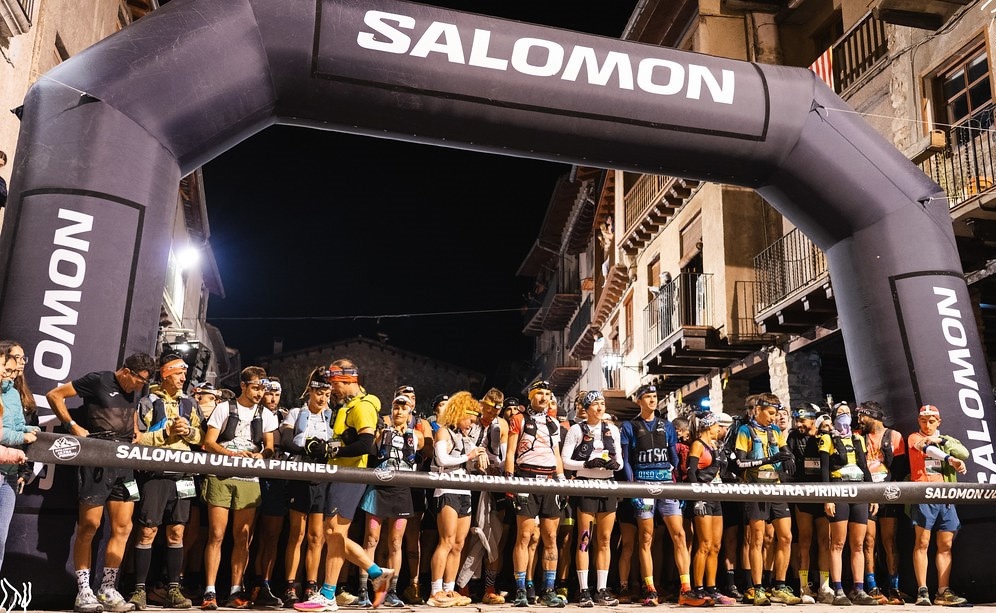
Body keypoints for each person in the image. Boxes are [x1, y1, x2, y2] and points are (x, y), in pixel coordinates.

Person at [47, 352, 156, 613]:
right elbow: (54, 395)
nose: (141, 386)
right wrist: (72, 426)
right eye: (140, 380)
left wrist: (136, 430)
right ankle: (83, 591)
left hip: (124, 463)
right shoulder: (99, 380)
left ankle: (107, 588)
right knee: (89, 526)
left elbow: (129, 412)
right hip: (96, 460)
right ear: (127, 372)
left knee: (124, 527)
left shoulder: (135, 390)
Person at [294, 360, 394, 612]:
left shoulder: (362, 406)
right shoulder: (348, 406)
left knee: (334, 534)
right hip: (340, 473)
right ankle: (358, 581)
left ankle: (359, 580)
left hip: (350, 476)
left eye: (333, 384)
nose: (332, 390)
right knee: (332, 534)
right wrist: (325, 447)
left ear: (346, 380)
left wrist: (332, 450)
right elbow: (345, 442)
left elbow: (366, 444)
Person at [619, 384, 709, 607]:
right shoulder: (630, 426)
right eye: (648, 397)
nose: (652, 400)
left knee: (679, 534)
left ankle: (686, 589)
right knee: (646, 537)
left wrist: (676, 482)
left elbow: (674, 457)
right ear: (639, 401)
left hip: (666, 482)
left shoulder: (666, 425)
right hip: (643, 484)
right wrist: (632, 488)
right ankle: (650, 589)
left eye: (654, 396)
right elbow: (626, 460)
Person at [200, 366, 280, 611]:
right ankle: (210, 591)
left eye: (262, 389)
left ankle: (235, 590)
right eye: (255, 388)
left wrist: (261, 455)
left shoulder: (266, 414)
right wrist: (232, 454)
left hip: (249, 478)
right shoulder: (224, 408)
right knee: (216, 534)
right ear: (243, 386)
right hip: (221, 475)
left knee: (243, 537)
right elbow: (209, 442)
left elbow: (270, 447)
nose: (259, 393)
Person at [128, 354, 203, 611]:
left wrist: (189, 432)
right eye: (179, 373)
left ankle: (173, 589)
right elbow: (137, 439)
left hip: (183, 475)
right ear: (165, 374)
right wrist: (166, 433)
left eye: (184, 373)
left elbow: (202, 436)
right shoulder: (148, 402)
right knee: (147, 531)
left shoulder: (190, 403)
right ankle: (139, 589)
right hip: (156, 474)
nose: (184, 378)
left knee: (177, 531)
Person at [731, 393, 801, 606]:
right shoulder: (745, 430)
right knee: (757, 539)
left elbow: (785, 451)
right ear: (758, 410)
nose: (773, 417)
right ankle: (758, 588)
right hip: (755, 488)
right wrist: (770, 458)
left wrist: (789, 458)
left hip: (776, 487)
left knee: (786, 536)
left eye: (775, 414)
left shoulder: (776, 431)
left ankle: (779, 586)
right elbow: (740, 463)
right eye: (770, 413)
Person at [505, 380, 567, 608]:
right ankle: (521, 589)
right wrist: (509, 481)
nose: (544, 398)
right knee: (524, 535)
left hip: (550, 480)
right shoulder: (519, 419)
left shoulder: (553, 422)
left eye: (548, 394)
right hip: (526, 478)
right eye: (539, 393)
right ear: (530, 395)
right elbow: (510, 452)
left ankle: (548, 590)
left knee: (550, 537)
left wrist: (562, 481)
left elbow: (556, 454)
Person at [359, 393, 424, 607]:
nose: (399, 412)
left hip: (401, 491)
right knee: (371, 539)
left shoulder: (416, 436)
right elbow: (373, 446)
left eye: (403, 408)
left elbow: (424, 447)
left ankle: (390, 591)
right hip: (379, 488)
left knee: (396, 542)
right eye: (396, 407)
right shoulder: (382, 432)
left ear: (410, 412)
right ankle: (363, 590)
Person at [280, 368, 336, 608]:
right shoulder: (296, 413)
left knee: (316, 536)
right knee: (297, 534)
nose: (322, 398)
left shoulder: (331, 416)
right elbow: (286, 441)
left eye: (327, 394)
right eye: (319, 393)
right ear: (310, 391)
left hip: (322, 478)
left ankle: (311, 585)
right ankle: (290, 585)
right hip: (300, 477)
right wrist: (307, 447)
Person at [560, 390, 621, 607]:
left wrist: (615, 465)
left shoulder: (612, 429)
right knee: (584, 539)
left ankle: (602, 589)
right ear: (586, 408)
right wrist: (586, 464)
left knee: (604, 539)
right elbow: (565, 461)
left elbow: (620, 461)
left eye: (602, 403)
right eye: (595, 403)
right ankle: (584, 590)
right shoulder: (576, 429)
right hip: (586, 484)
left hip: (607, 484)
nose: (600, 407)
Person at [425, 392, 485, 607]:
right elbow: (442, 459)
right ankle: (435, 591)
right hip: (446, 488)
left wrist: (479, 459)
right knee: (447, 541)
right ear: (459, 413)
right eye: (469, 419)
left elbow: (469, 462)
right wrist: (469, 456)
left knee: (459, 544)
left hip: (464, 490)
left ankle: (450, 590)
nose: (471, 425)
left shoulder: (466, 436)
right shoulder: (444, 431)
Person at [907, 404, 969, 607]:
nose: (927, 425)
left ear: (938, 422)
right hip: (924, 494)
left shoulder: (945, 439)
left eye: (932, 421)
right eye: (923, 421)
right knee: (922, 542)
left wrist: (942, 440)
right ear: (918, 421)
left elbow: (964, 453)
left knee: (946, 545)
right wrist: (950, 458)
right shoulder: (914, 437)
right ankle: (922, 590)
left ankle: (943, 591)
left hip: (946, 496)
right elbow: (926, 449)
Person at [818, 402, 878, 606]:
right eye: (840, 413)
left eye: (847, 413)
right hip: (838, 489)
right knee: (837, 543)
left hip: (859, 490)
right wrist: (827, 497)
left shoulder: (857, 438)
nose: (844, 416)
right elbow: (824, 470)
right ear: (834, 416)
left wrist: (873, 494)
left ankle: (858, 589)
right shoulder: (827, 438)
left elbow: (864, 466)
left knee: (858, 544)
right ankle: (838, 590)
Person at [182, 382, 233, 598]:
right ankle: (175, 579)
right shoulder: (190, 413)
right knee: (188, 532)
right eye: (210, 398)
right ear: (197, 396)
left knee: (204, 534)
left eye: (217, 399)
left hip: (211, 479)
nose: (214, 402)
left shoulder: (218, 418)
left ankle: (193, 580)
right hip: (190, 477)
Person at [856, 401, 907, 606]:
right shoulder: (858, 436)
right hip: (867, 492)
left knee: (889, 541)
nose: (859, 420)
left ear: (873, 416)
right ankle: (872, 586)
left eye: (862, 416)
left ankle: (894, 587)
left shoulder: (894, 436)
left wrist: (888, 491)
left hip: (888, 492)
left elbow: (900, 467)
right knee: (868, 541)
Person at [685, 411, 736, 606]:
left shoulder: (715, 446)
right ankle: (698, 588)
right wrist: (696, 497)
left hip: (716, 497)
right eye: (717, 426)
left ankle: (712, 587)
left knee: (716, 545)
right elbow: (691, 471)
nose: (719, 429)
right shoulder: (698, 445)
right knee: (704, 544)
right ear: (708, 426)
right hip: (703, 497)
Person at [785, 404, 829, 605]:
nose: (799, 424)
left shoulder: (823, 435)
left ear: (813, 420)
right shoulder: (793, 437)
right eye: (796, 420)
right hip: (802, 493)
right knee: (804, 540)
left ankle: (825, 586)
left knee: (825, 541)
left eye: (802, 420)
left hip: (822, 493)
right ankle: (804, 586)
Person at [0, 341, 37, 573]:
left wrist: (31, 432)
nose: (12, 372)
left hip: (10, 475)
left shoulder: (13, 393)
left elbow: (19, 425)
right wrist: (22, 438)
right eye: (7, 367)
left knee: (1, 538)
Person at [251, 377, 288, 609]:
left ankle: (264, 585)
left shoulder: (285, 417)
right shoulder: (252, 413)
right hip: (252, 476)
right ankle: (243, 585)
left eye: (276, 394)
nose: (272, 398)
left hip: (276, 480)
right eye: (269, 393)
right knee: (247, 535)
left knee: (271, 536)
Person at [401, 391, 438, 605]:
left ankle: (413, 584)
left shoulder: (421, 423)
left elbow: (430, 451)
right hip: (389, 482)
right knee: (385, 538)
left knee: (413, 536)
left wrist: (419, 435)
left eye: (413, 397)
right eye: (404, 396)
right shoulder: (387, 419)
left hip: (415, 483)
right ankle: (379, 584)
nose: (409, 400)